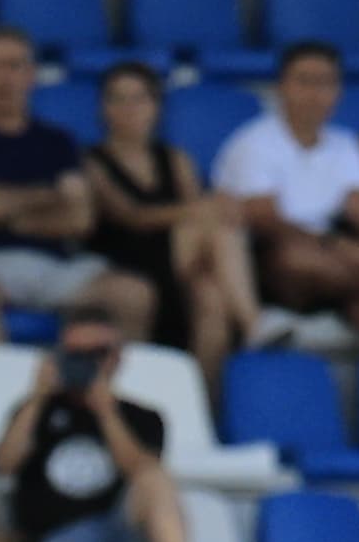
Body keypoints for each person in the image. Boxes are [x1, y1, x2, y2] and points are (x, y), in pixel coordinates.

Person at [0, 26, 152, 344]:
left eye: (14, 65)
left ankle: (106, 377)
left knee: (133, 294)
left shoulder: (57, 141)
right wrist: (50, 196)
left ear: (31, 75)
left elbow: (79, 219)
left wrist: (3, 213)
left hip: (53, 268)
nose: (4, 77)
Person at [213, 42, 359, 355]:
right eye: (304, 81)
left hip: (335, 261)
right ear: (281, 87)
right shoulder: (253, 142)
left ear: (339, 91)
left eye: (326, 82)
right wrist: (339, 247)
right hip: (273, 261)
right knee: (298, 259)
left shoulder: (345, 143)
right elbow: (264, 220)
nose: (315, 93)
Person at [0, 303, 188, 542]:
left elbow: (139, 471)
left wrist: (106, 413)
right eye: (76, 353)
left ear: (117, 357)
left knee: (157, 480)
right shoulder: (35, 410)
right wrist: (38, 397)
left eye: (98, 353)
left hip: (116, 538)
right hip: (54, 540)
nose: (87, 362)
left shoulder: (142, 417)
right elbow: (4, 465)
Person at [86, 58, 249, 384]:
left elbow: (196, 214)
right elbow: (130, 216)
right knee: (215, 223)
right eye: (119, 98)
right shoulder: (92, 161)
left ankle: (202, 401)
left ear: (156, 106)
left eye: (139, 98)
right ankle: (254, 324)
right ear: (104, 108)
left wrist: (206, 210)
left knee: (211, 297)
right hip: (128, 259)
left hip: (181, 260)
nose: (130, 108)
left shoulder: (175, 159)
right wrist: (205, 208)